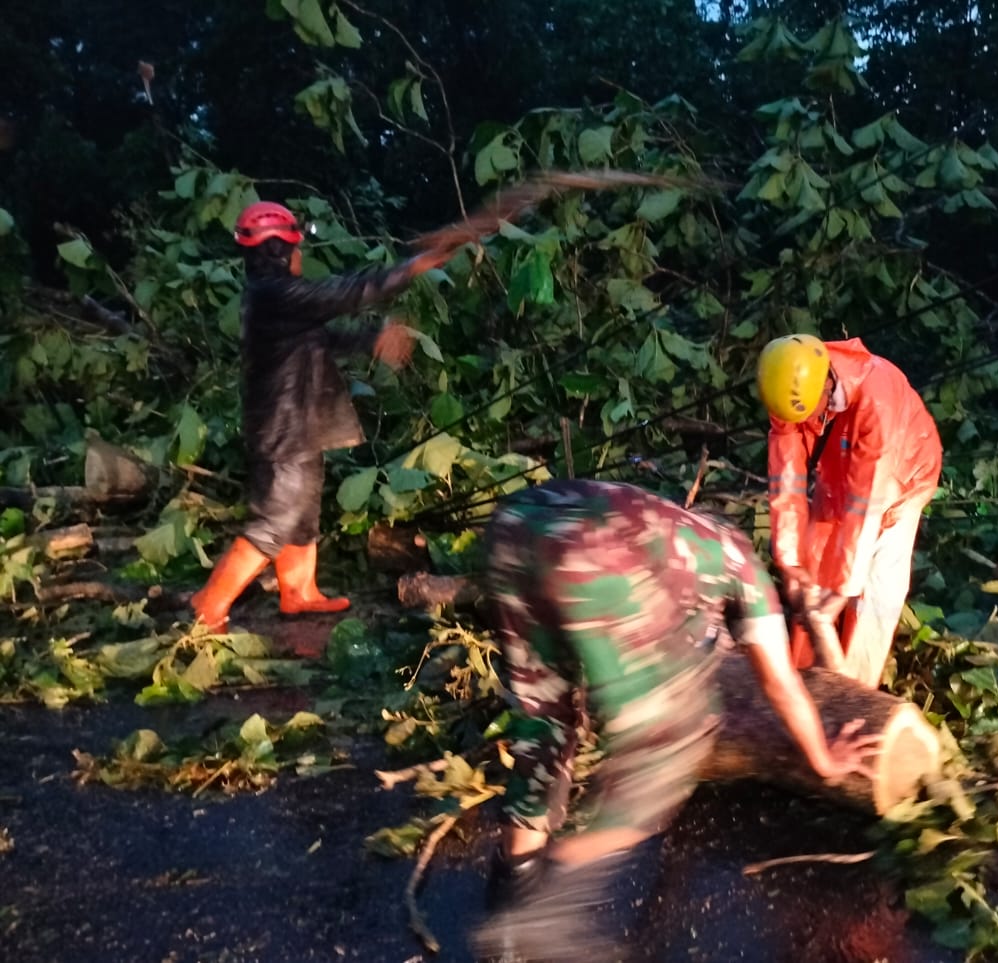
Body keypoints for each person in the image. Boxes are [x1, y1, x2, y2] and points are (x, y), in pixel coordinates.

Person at [470, 479, 879, 960]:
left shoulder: (669, 528)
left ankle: (509, 907)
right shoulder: (743, 567)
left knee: (547, 723)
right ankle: (543, 914)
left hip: (513, 527)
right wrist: (825, 760)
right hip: (586, 549)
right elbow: (780, 683)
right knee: (672, 736)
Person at [191, 201, 453, 630]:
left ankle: (299, 593)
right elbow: (346, 292)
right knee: (276, 519)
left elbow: (318, 339)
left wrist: (373, 338)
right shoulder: (278, 294)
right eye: (294, 245)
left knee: (302, 512)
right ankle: (209, 603)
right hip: (284, 429)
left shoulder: (276, 299)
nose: (300, 254)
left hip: (299, 425)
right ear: (279, 250)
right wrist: (414, 267)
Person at [758, 334, 942, 687]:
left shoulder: (878, 401)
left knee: (872, 592)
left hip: (899, 485)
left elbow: (867, 503)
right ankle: (802, 676)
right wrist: (790, 560)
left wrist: (843, 589)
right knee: (813, 572)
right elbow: (787, 478)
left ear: (827, 386)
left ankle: (856, 692)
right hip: (838, 469)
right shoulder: (787, 386)